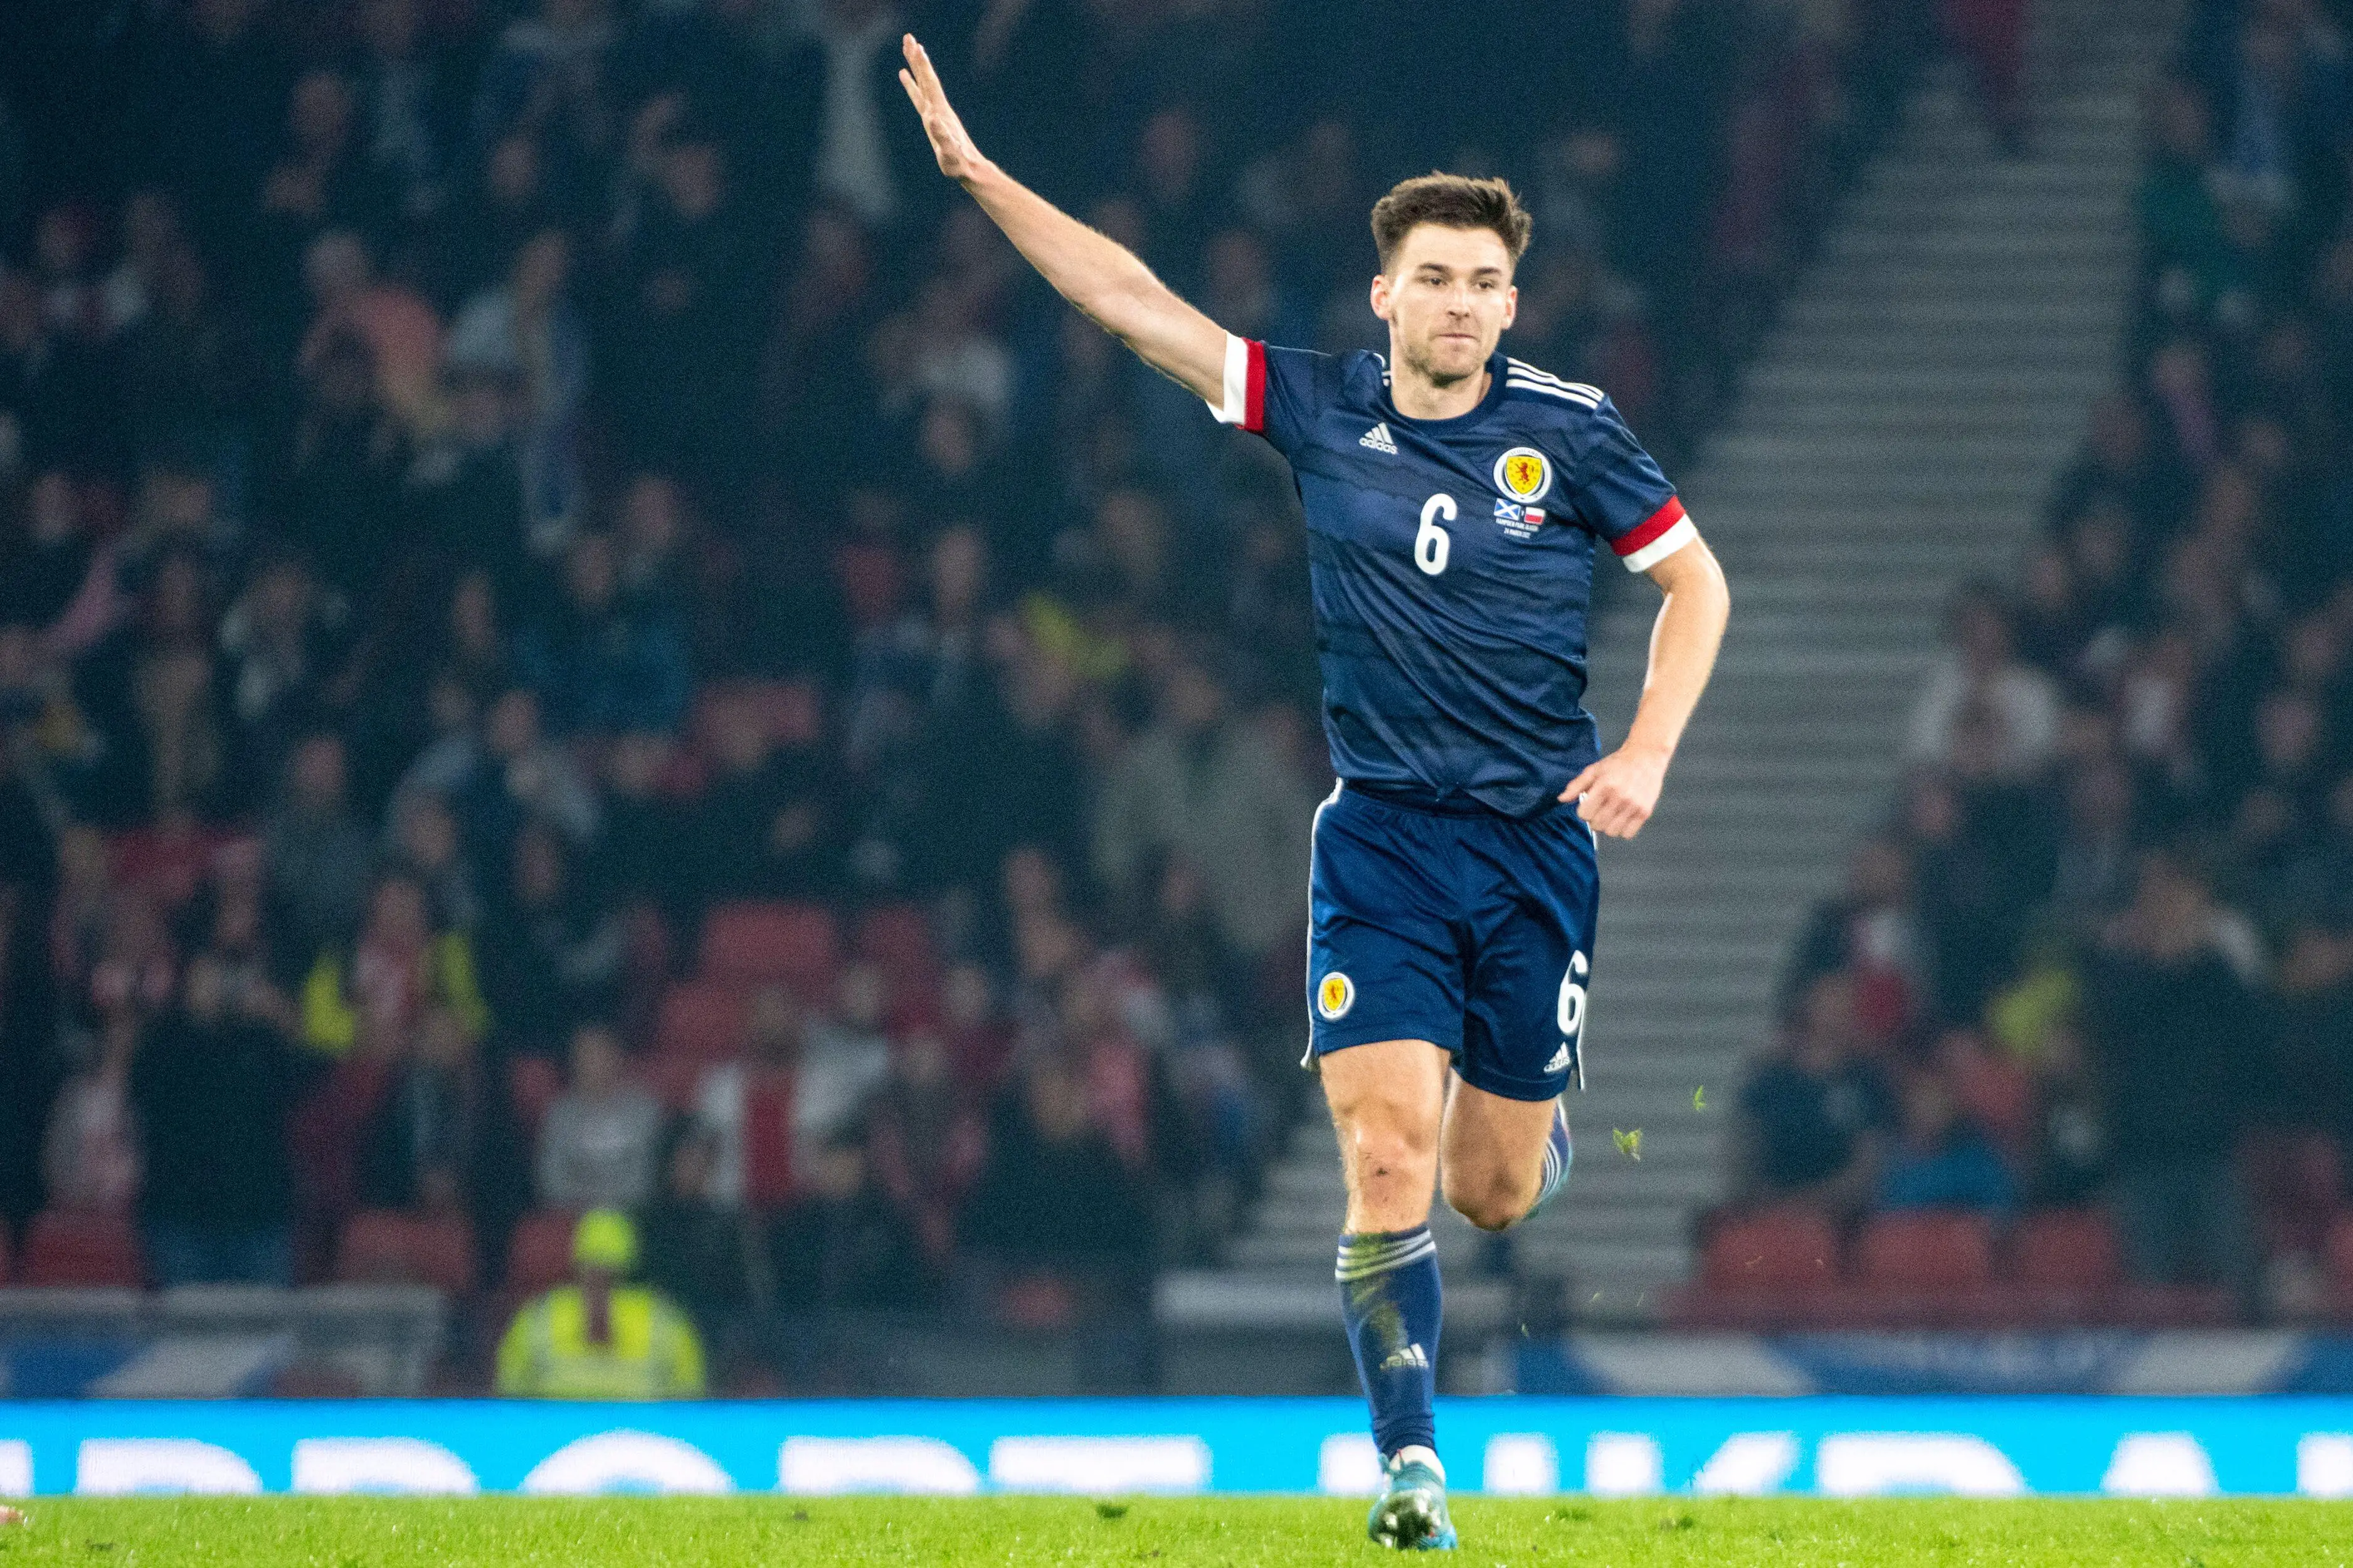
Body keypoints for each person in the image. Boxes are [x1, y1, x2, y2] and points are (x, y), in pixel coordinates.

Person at [900, 38, 1731, 1550]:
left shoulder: (1574, 430)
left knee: (1487, 1191)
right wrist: (981, 177)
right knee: (1387, 1158)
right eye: (1437, 277)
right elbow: (1132, 300)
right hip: (1383, 844)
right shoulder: (1319, 405)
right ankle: (1412, 1468)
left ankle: (1532, 1130)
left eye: (1486, 280)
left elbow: (1695, 583)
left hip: (1535, 843)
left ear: (1511, 302)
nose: (1462, 302)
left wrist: (1653, 749)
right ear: (1386, 294)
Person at [494, 1208, 706, 1399]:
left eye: (606, 1276)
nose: (599, 1288)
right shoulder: (664, 1317)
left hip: (637, 1435)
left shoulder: (540, 1315)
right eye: (593, 1275)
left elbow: (690, 1396)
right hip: (562, 1434)